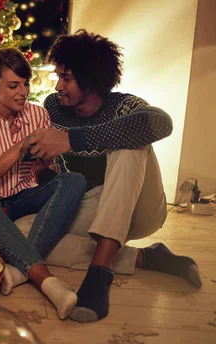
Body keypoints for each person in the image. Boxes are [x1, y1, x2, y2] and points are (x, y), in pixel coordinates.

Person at [23, 29, 201, 323]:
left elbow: (162, 123)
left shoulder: (124, 105)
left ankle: (100, 273)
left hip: (139, 207)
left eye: (66, 78)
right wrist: (44, 172)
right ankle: (148, 258)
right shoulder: (54, 107)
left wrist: (71, 139)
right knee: (25, 236)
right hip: (93, 207)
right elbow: (61, 181)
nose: (58, 86)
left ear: (91, 80)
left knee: (130, 139)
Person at [0, 43, 87, 320]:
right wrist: (19, 148)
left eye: (25, 84)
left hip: (22, 198)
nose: (23, 92)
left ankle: (18, 271)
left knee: (73, 180)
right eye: (13, 85)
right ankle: (47, 280)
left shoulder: (38, 114)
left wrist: (42, 166)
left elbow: (48, 177)